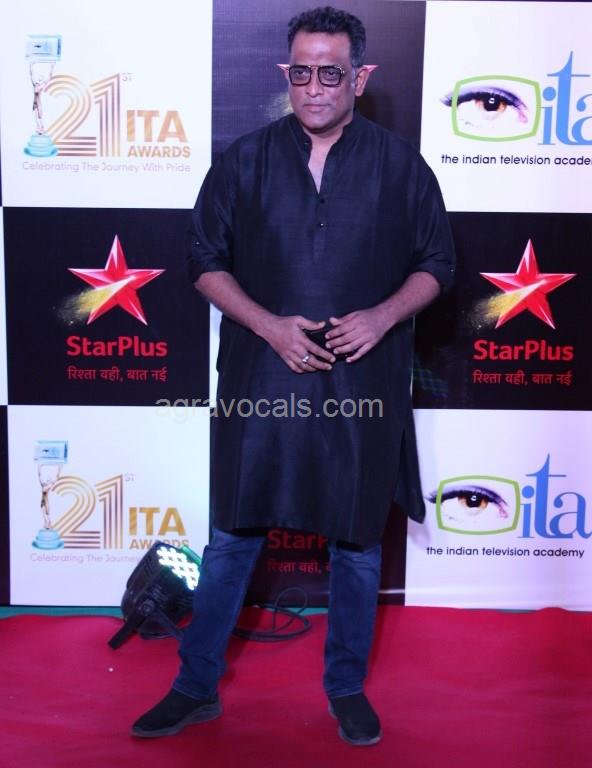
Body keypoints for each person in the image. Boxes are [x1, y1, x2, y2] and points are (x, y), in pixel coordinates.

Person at [132, 5, 455, 746]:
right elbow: (202, 261)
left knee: (356, 545)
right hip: (260, 378)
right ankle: (194, 686)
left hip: (361, 383)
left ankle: (345, 688)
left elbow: (438, 264)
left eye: (330, 73)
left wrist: (382, 316)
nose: (313, 88)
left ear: (360, 78)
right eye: (301, 72)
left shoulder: (402, 167)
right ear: (287, 73)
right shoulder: (243, 161)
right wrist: (269, 325)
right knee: (232, 538)